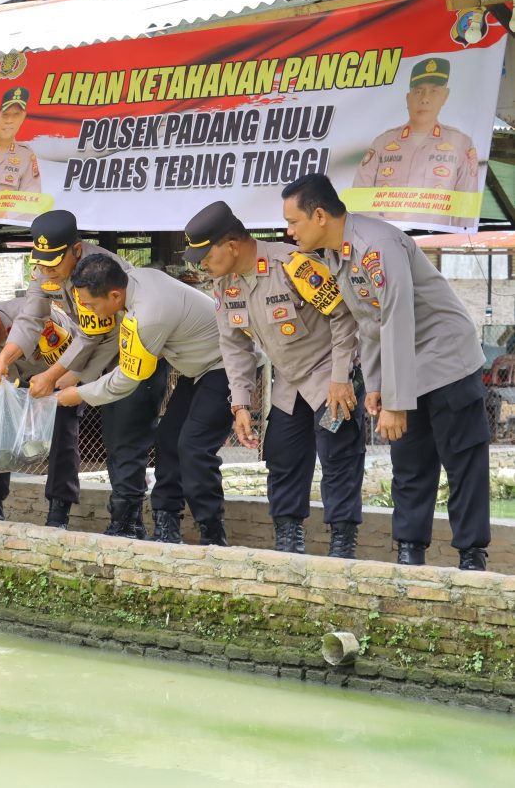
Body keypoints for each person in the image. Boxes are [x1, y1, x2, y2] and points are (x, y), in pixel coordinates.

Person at [282, 173, 490, 570]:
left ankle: (471, 558)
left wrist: (396, 402)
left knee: (463, 462)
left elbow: (396, 317)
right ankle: (410, 554)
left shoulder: (376, 246)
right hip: (403, 368)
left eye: (294, 222)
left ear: (320, 215)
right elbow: (369, 322)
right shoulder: (334, 255)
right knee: (409, 463)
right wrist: (376, 386)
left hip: (446, 361)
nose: (289, 232)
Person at [184, 200, 366, 557]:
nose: (202, 263)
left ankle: (342, 547)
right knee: (282, 459)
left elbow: (345, 317)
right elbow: (234, 347)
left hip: (331, 376)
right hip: (289, 384)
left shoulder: (293, 266)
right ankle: (288, 541)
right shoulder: (225, 286)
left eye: (206, 254)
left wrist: (342, 376)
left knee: (338, 456)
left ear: (232, 245)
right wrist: (240, 403)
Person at [0, 209, 166, 535]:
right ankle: (125, 525)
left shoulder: (99, 272)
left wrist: (58, 375)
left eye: (54, 262)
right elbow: (30, 318)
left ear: (77, 250)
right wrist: (4, 359)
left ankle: (128, 526)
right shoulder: (45, 272)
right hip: (97, 360)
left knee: (124, 442)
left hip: (134, 356)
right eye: (40, 262)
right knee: (112, 442)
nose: (45, 270)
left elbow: (95, 335)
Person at [56, 254, 232, 546]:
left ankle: (212, 536)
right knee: (167, 439)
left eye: (91, 304)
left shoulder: (148, 315)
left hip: (226, 366)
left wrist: (79, 394)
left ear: (114, 294)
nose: (86, 310)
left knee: (193, 446)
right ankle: (166, 524)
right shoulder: (134, 282)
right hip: (197, 368)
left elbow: (126, 381)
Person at [0, 289, 82, 527]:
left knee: (62, 433)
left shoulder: (37, 318)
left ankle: (59, 512)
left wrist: (45, 394)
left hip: (60, 372)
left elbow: (70, 360)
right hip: (11, 381)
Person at [352, 57, 479, 228]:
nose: (425, 99)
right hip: (385, 241)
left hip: (430, 242)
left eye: (434, 91)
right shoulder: (382, 143)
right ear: (408, 98)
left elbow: (465, 209)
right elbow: (360, 199)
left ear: (445, 96)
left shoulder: (461, 144)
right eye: (419, 91)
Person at [0, 87, 42, 196]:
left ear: (22, 118)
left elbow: (32, 201)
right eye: (5, 115)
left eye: (16, 115)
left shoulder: (26, 155)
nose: (9, 121)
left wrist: (6, 213)